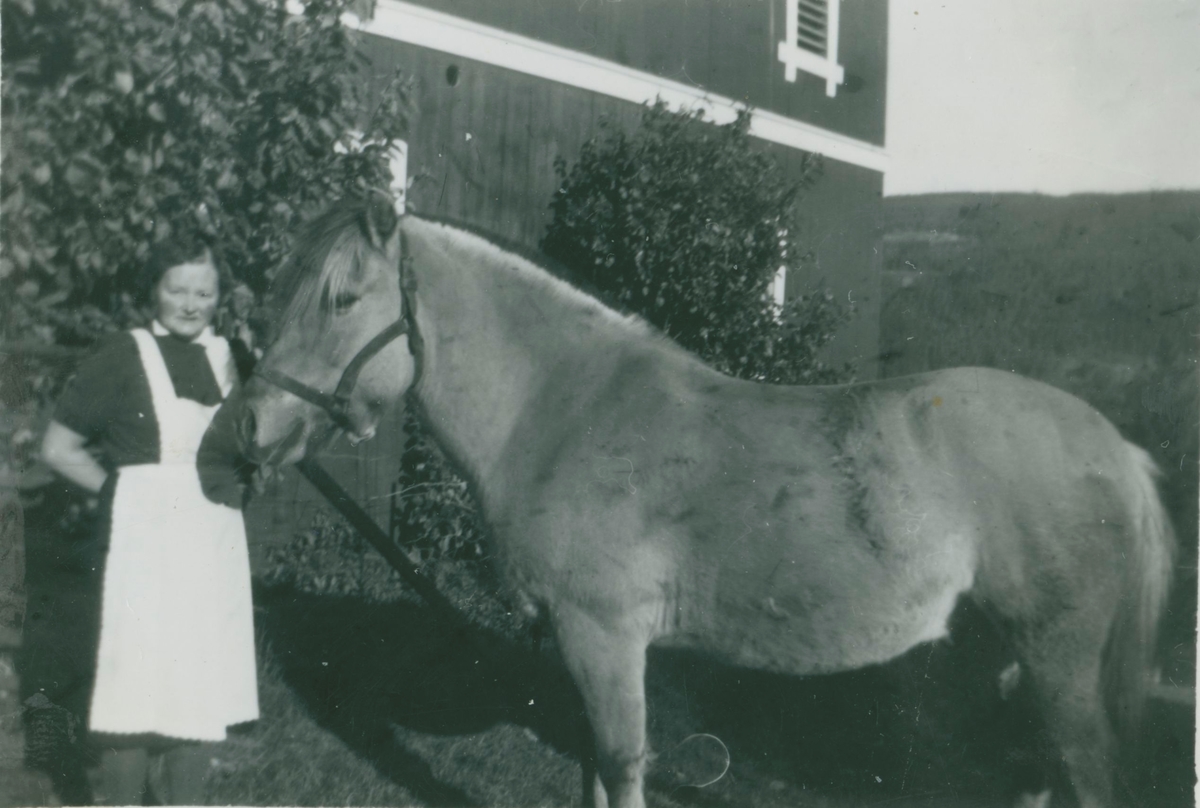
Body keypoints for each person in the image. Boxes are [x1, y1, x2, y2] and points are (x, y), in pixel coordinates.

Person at [40, 237, 259, 805]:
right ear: (153, 291)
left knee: (196, 687)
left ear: (219, 297)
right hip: (145, 539)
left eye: (204, 292)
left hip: (211, 537)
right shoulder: (122, 353)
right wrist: (121, 492)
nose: (190, 303)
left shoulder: (233, 357)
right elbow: (59, 448)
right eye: (177, 288)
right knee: (133, 686)